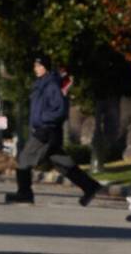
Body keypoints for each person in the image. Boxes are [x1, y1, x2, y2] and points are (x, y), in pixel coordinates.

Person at [6, 55, 99, 205]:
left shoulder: (51, 86)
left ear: (46, 67)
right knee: (62, 162)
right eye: (35, 66)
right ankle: (90, 186)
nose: (36, 69)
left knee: (24, 159)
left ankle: (24, 193)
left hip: (46, 131)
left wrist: (43, 120)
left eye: (39, 66)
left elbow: (60, 110)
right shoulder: (41, 84)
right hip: (46, 131)